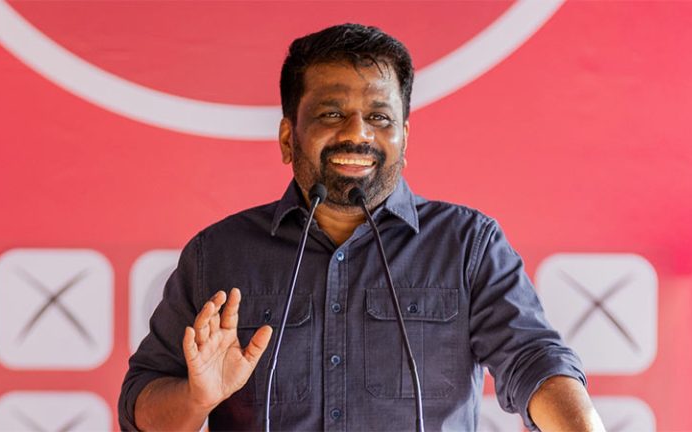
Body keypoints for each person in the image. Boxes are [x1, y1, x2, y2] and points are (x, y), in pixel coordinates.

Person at [119, 23, 604, 431]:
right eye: (332, 113)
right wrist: (197, 398)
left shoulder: (468, 245)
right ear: (289, 137)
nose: (357, 132)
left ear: (404, 137)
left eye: (379, 117)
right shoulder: (218, 253)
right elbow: (141, 405)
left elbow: (535, 361)